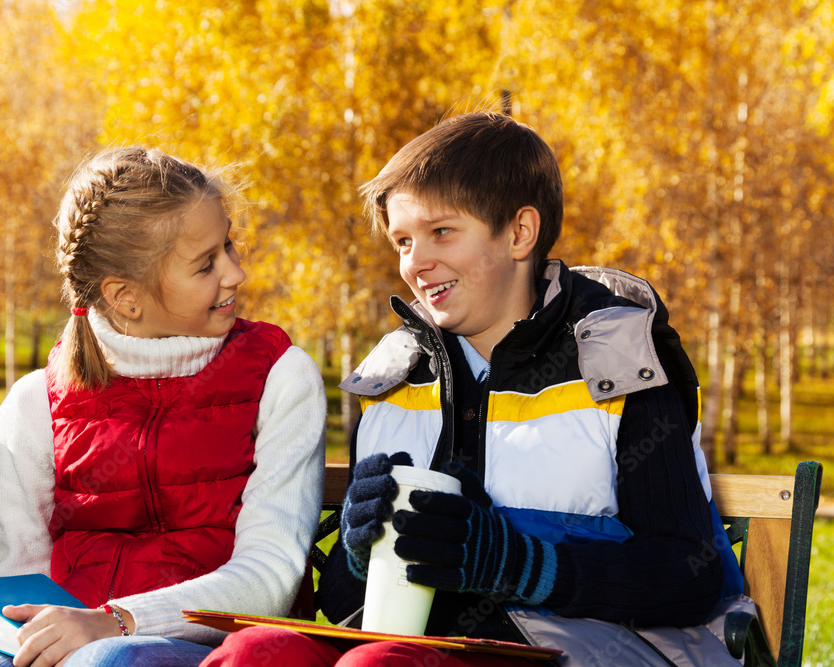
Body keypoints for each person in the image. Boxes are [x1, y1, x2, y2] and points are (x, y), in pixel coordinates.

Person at [201, 111, 752, 667]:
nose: (416, 262)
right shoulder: (391, 381)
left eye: (442, 232)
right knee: (256, 652)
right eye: (402, 241)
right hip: (420, 652)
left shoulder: (619, 365)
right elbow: (350, 607)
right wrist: (358, 552)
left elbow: (690, 576)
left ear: (519, 233)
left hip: (585, 653)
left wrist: (517, 565)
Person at [0, 146, 327, 667]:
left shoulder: (280, 376)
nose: (235, 273)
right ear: (125, 297)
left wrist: (115, 621)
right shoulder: (35, 401)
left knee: (107, 662)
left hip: (213, 649)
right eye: (205, 264)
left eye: (229, 246)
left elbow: (270, 578)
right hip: (77, 640)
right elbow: (20, 573)